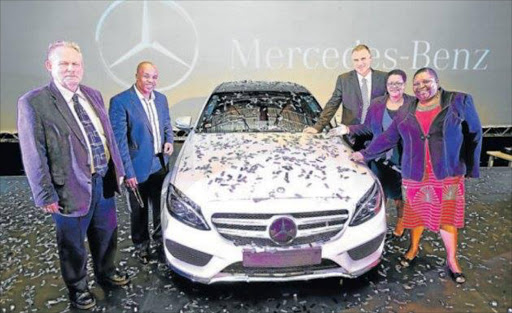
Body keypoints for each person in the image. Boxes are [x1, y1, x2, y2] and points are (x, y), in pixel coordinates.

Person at [17, 41, 129, 310]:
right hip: (68, 188)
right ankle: (78, 287)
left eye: (75, 63)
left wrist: (119, 170)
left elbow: (108, 137)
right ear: (49, 66)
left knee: (106, 235)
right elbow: (34, 153)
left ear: (82, 67)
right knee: (72, 246)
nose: (70, 68)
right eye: (63, 63)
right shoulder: (34, 102)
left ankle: (106, 272)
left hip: (103, 182)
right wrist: (45, 194)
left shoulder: (93, 94)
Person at [352, 67, 482, 284]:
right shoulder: (406, 109)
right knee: (416, 215)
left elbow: (474, 133)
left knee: (447, 217)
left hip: (447, 172)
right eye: (417, 83)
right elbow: (388, 137)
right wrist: (364, 154)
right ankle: (412, 250)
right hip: (416, 173)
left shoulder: (459, 101)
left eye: (427, 82)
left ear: (437, 82)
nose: (422, 87)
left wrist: (470, 166)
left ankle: (452, 260)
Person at [329, 69, 415, 237]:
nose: (394, 87)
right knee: (379, 193)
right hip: (377, 156)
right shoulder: (377, 104)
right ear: (386, 85)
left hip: (403, 158)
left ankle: (401, 221)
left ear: (405, 85)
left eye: (398, 83)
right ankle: (379, 223)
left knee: (400, 197)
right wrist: (347, 129)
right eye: (391, 83)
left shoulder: (413, 103)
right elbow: (367, 128)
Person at [109, 61, 174, 264]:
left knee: (160, 209)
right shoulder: (121, 102)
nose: (150, 81)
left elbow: (166, 124)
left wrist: (170, 141)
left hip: (160, 165)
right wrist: (127, 172)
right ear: (136, 75)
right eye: (146, 76)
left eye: (154, 77)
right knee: (139, 210)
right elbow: (119, 143)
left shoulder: (161, 99)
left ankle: (159, 242)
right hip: (136, 168)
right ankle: (141, 246)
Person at [304, 44, 387, 150]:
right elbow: (333, 104)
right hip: (351, 136)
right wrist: (317, 127)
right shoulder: (344, 79)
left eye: (363, 59)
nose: (360, 63)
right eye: (356, 60)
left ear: (370, 59)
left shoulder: (384, 77)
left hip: (376, 135)